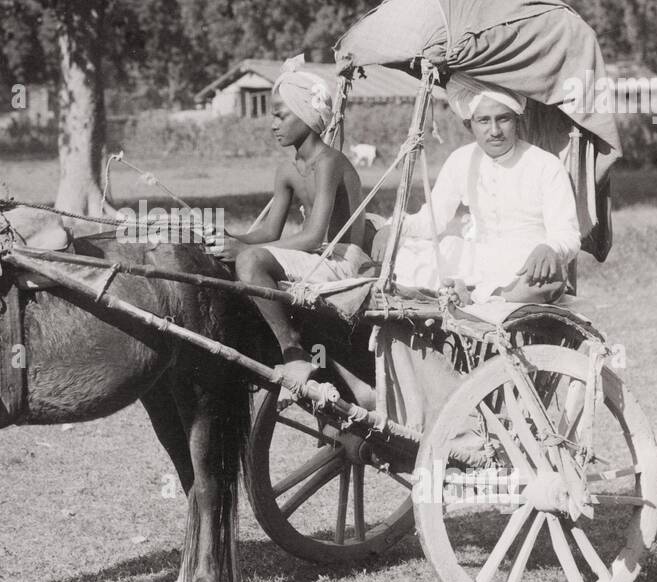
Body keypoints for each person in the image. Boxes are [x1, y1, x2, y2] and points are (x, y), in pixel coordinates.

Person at [205, 57, 373, 391]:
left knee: (250, 260)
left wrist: (246, 249)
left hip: (343, 260)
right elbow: (269, 232)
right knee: (232, 256)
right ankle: (297, 354)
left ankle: (293, 350)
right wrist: (230, 237)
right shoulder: (287, 170)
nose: (273, 124)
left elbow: (313, 237)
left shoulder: (330, 162)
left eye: (281, 114)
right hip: (317, 259)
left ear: (308, 116)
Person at [394, 87, 580, 303]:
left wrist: (551, 248)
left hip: (525, 264)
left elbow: (567, 234)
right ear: (469, 125)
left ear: (518, 121)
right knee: (405, 256)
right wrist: (395, 229)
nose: (495, 131)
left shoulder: (546, 165)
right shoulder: (460, 160)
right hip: (478, 258)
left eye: (503, 119)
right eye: (484, 120)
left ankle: (470, 296)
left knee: (549, 282)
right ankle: (472, 293)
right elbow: (432, 220)